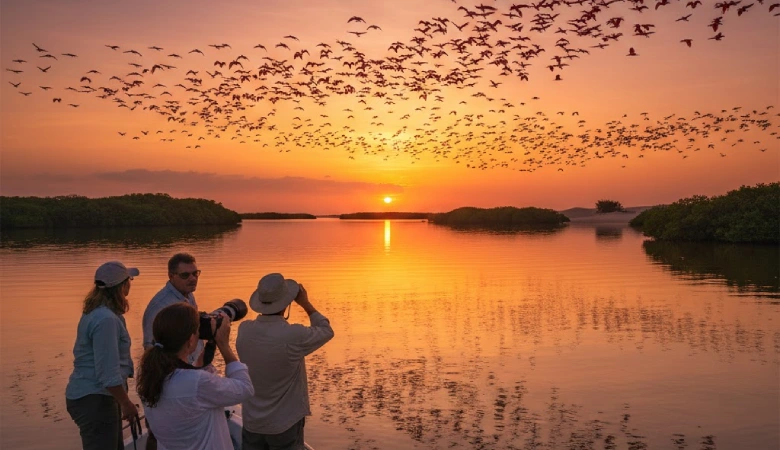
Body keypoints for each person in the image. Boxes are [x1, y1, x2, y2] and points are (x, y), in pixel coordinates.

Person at [137, 302, 254, 450]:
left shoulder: (151, 377)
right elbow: (245, 388)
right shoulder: (196, 383)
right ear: (191, 340)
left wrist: (209, 347)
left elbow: (189, 384)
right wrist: (224, 344)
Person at [237, 273, 334, 450]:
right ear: (286, 304)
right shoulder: (293, 336)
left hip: (252, 422)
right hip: (285, 424)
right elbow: (326, 330)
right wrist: (305, 303)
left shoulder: (244, 330)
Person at [65, 261, 140, 450]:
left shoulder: (97, 313)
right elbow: (108, 373)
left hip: (98, 396)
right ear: (122, 286)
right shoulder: (106, 320)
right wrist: (126, 403)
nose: (130, 284)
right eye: (129, 280)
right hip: (95, 399)